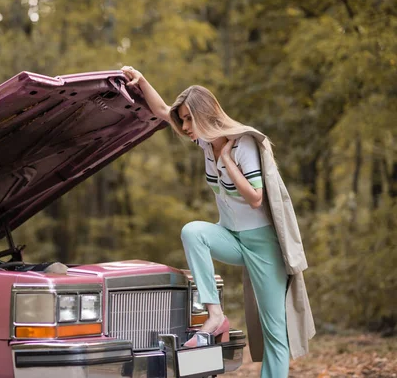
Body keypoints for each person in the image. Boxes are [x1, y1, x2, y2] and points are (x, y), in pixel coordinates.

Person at [120, 66, 313, 378]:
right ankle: (215, 314)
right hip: (231, 237)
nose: (183, 126)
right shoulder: (204, 143)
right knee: (193, 231)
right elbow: (159, 111)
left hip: (264, 245)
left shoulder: (244, 144)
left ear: (205, 115)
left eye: (188, 118)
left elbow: (255, 198)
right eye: (181, 118)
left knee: (274, 330)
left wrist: (227, 161)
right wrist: (141, 81)